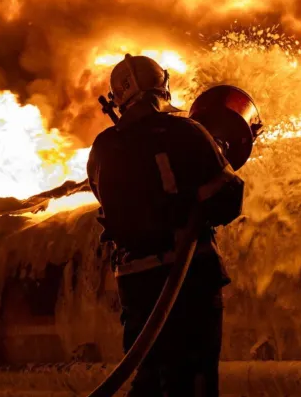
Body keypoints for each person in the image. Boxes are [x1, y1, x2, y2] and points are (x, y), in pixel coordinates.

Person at [87, 54, 245, 396]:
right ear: (164, 86)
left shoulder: (102, 149)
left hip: (136, 287)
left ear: (117, 99)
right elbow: (228, 199)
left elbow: (109, 203)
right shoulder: (187, 132)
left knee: (150, 378)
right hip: (190, 279)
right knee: (194, 381)